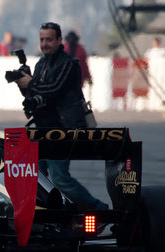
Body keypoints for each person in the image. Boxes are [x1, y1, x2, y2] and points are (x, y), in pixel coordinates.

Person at [15, 22, 108, 210]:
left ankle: (97, 208)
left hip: (63, 129)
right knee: (35, 176)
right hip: (43, 129)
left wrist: (31, 82)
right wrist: (22, 84)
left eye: (49, 39)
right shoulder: (41, 64)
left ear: (59, 40)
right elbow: (37, 95)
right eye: (42, 40)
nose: (45, 43)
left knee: (59, 178)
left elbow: (54, 89)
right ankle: (50, 211)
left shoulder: (68, 64)